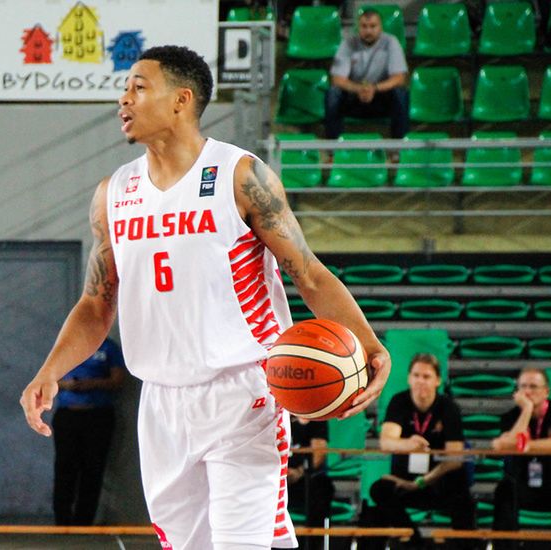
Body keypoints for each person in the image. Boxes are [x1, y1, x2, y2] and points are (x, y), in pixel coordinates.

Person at [20, 45, 390, 550]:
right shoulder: (114, 193)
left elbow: (308, 273)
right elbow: (96, 304)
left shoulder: (240, 175)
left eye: (138, 87)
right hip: (161, 400)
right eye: (124, 89)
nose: (123, 99)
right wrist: (50, 370)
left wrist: (368, 343)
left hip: (243, 392)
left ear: (181, 100)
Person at [362, 353, 475, 549]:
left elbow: (455, 458)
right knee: (378, 492)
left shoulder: (449, 407)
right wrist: (408, 444)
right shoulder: (399, 402)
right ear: (409, 378)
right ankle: (415, 542)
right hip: (403, 479)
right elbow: (386, 443)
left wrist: (422, 482)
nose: (420, 381)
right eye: (416, 375)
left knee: (462, 494)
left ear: (438, 380)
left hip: (437, 480)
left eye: (426, 376)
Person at [491, 368, 551, 548]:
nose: (527, 392)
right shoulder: (511, 416)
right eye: (523, 387)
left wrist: (525, 446)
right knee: (504, 489)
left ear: (546, 391)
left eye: (533, 386)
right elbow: (501, 446)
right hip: (524, 486)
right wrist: (527, 410)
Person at [52, 337, 127, 526]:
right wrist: (67, 385)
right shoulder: (64, 345)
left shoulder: (108, 347)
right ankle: (62, 521)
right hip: (68, 415)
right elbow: (49, 380)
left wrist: (91, 383)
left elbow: (118, 380)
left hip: (98, 416)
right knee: (65, 467)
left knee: (93, 469)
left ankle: (84, 523)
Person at [325, 10, 409, 140]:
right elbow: (337, 79)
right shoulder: (348, 43)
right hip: (354, 98)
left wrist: (374, 88)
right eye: (364, 26)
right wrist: (358, 89)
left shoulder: (391, 42)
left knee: (400, 93)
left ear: (380, 27)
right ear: (358, 27)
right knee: (333, 93)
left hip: (380, 98)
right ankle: (333, 146)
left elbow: (399, 78)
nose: (368, 31)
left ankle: (399, 146)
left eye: (373, 26)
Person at [287, 416, 335, 550]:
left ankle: (313, 546)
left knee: (323, 488)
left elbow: (319, 450)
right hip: (271, 477)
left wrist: (299, 472)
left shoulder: (314, 412)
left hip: (303, 478)